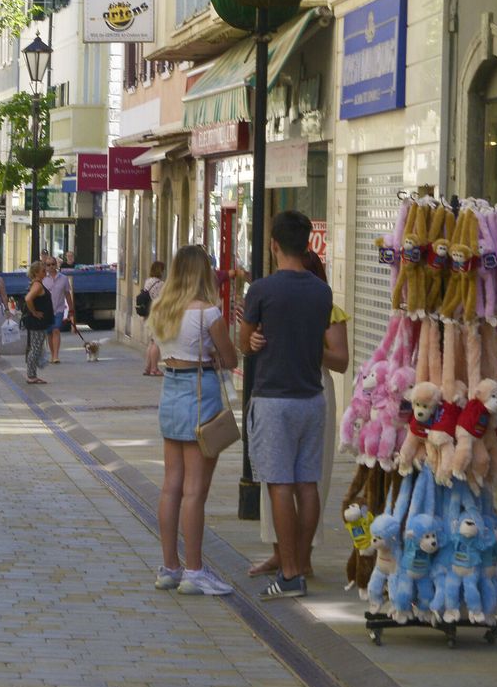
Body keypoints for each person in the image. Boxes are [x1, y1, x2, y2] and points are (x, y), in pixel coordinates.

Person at [238, 210, 333, 600]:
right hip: (312, 397)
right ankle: (302, 561)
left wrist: (256, 341)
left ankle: (290, 572)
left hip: (274, 398)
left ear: (274, 245)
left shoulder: (261, 290)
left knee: (278, 484)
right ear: (308, 244)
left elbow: (245, 344)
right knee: (307, 483)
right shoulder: (322, 292)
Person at [250, 249, 351, 579]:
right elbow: (249, 339)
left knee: (309, 478)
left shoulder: (328, 309)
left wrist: (307, 344)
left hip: (311, 389)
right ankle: (279, 553)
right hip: (281, 389)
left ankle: (302, 557)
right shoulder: (273, 299)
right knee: (276, 480)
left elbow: (340, 360)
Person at [149, 245, 239, 595]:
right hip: (200, 393)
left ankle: (169, 566)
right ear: (203, 273)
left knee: (171, 484)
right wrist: (216, 350)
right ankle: (196, 571)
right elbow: (230, 358)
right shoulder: (208, 313)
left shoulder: (162, 310)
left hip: (170, 391)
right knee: (195, 491)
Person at [20, 261, 53, 385]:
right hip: (37, 322)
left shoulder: (36, 284)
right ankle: (31, 375)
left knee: (35, 347)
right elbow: (28, 298)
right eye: (43, 270)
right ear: (36, 273)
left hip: (38, 321)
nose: (45, 272)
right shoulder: (37, 285)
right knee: (35, 348)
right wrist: (34, 312)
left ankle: (32, 374)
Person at [41, 257, 75, 365]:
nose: (51, 266)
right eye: (48, 265)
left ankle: (56, 355)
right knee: (49, 332)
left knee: (56, 329)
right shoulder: (42, 279)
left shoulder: (63, 278)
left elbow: (67, 294)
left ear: (56, 265)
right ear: (45, 266)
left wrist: (71, 308)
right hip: (46, 310)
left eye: (53, 264)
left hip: (59, 308)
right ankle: (52, 354)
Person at [141, 261, 166, 377]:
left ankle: (147, 367)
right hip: (157, 315)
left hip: (148, 315)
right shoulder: (160, 284)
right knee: (156, 342)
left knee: (151, 342)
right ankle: (154, 369)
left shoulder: (148, 282)